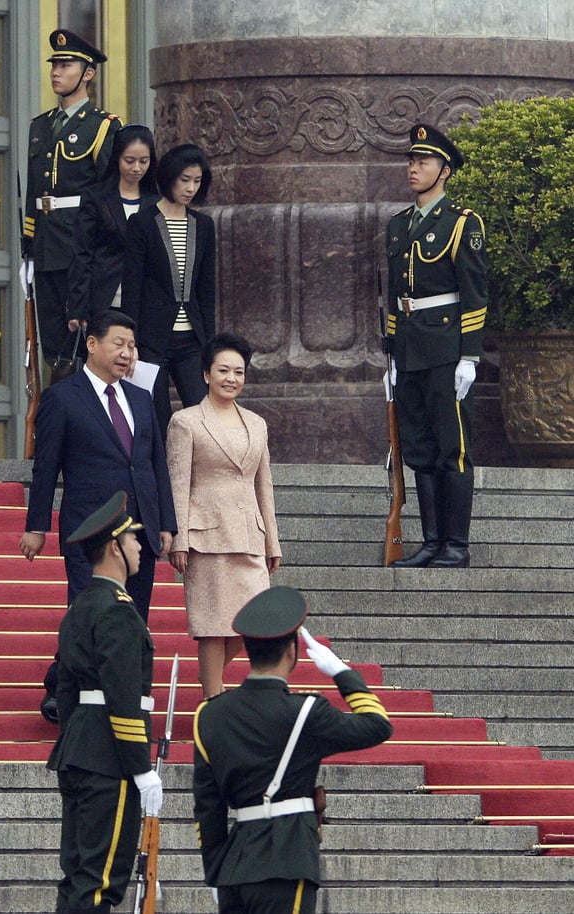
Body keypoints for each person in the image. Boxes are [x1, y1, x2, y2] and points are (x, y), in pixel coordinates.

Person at [193, 586, 393, 914]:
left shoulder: (210, 714)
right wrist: (343, 673)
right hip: (287, 863)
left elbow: (208, 808)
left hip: (233, 867)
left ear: (245, 649)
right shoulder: (306, 711)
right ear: (291, 651)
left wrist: (216, 872)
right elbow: (378, 725)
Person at [19, 309, 176, 622]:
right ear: (92, 344)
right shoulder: (62, 398)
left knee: (135, 618)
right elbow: (46, 467)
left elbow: (156, 462)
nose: (126, 353)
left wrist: (166, 522)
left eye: (132, 347)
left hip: (139, 529)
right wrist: (36, 527)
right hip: (89, 530)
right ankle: (80, 673)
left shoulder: (141, 397)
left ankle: (132, 673)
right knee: (90, 618)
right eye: (118, 344)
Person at [48, 491, 162, 914]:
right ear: (114, 546)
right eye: (133, 539)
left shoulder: (80, 606)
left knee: (78, 876)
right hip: (110, 761)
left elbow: (64, 690)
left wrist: (79, 738)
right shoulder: (117, 611)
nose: (138, 547)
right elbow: (123, 697)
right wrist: (141, 768)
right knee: (100, 884)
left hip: (80, 751)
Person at [384, 123, 488, 568]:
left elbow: (475, 292)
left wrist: (469, 356)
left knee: (451, 445)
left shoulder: (462, 223)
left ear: (444, 171)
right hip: (408, 349)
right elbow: (393, 294)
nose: (413, 168)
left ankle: (456, 545)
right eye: (411, 160)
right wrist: (390, 353)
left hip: (446, 348)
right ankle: (429, 543)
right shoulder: (398, 224)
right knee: (419, 445)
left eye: (423, 162)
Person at [166, 332, 281, 698]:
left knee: (257, 622)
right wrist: (179, 538)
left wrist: (272, 541)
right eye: (223, 371)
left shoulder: (257, 423)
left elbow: (264, 485)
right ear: (206, 375)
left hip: (249, 535)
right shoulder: (186, 422)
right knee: (214, 626)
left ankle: (208, 682)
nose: (231, 379)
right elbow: (178, 484)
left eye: (239, 372)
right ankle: (213, 697)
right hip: (206, 537)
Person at [21, 28, 120, 366]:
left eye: (66, 65)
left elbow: (107, 195)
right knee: (51, 346)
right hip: (46, 248)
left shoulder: (103, 126)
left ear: (88, 73)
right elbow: (35, 192)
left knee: (79, 341)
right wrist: (28, 246)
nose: (56, 72)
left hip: (80, 248)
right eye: (54, 65)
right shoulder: (40, 126)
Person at [121, 142, 216, 439]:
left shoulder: (203, 225)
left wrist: (209, 346)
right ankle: (162, 483)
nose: (190, 188)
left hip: (191, 340)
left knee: (203, 414)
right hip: (152, 339)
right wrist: (129, 340)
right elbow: (132, 285)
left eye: (197, 181)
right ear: (169, 178)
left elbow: (206, 289)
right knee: (156, 419)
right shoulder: (143, 223)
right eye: (184, 179)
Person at [67, 124, 160, 330]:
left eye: (143, 161)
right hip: (104, 301)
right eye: (130, 161)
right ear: (117, 158)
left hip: (146, 304)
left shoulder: (158, 202)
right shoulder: (96, 197)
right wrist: (78, 308)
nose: (137, 168)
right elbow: (82, 254)